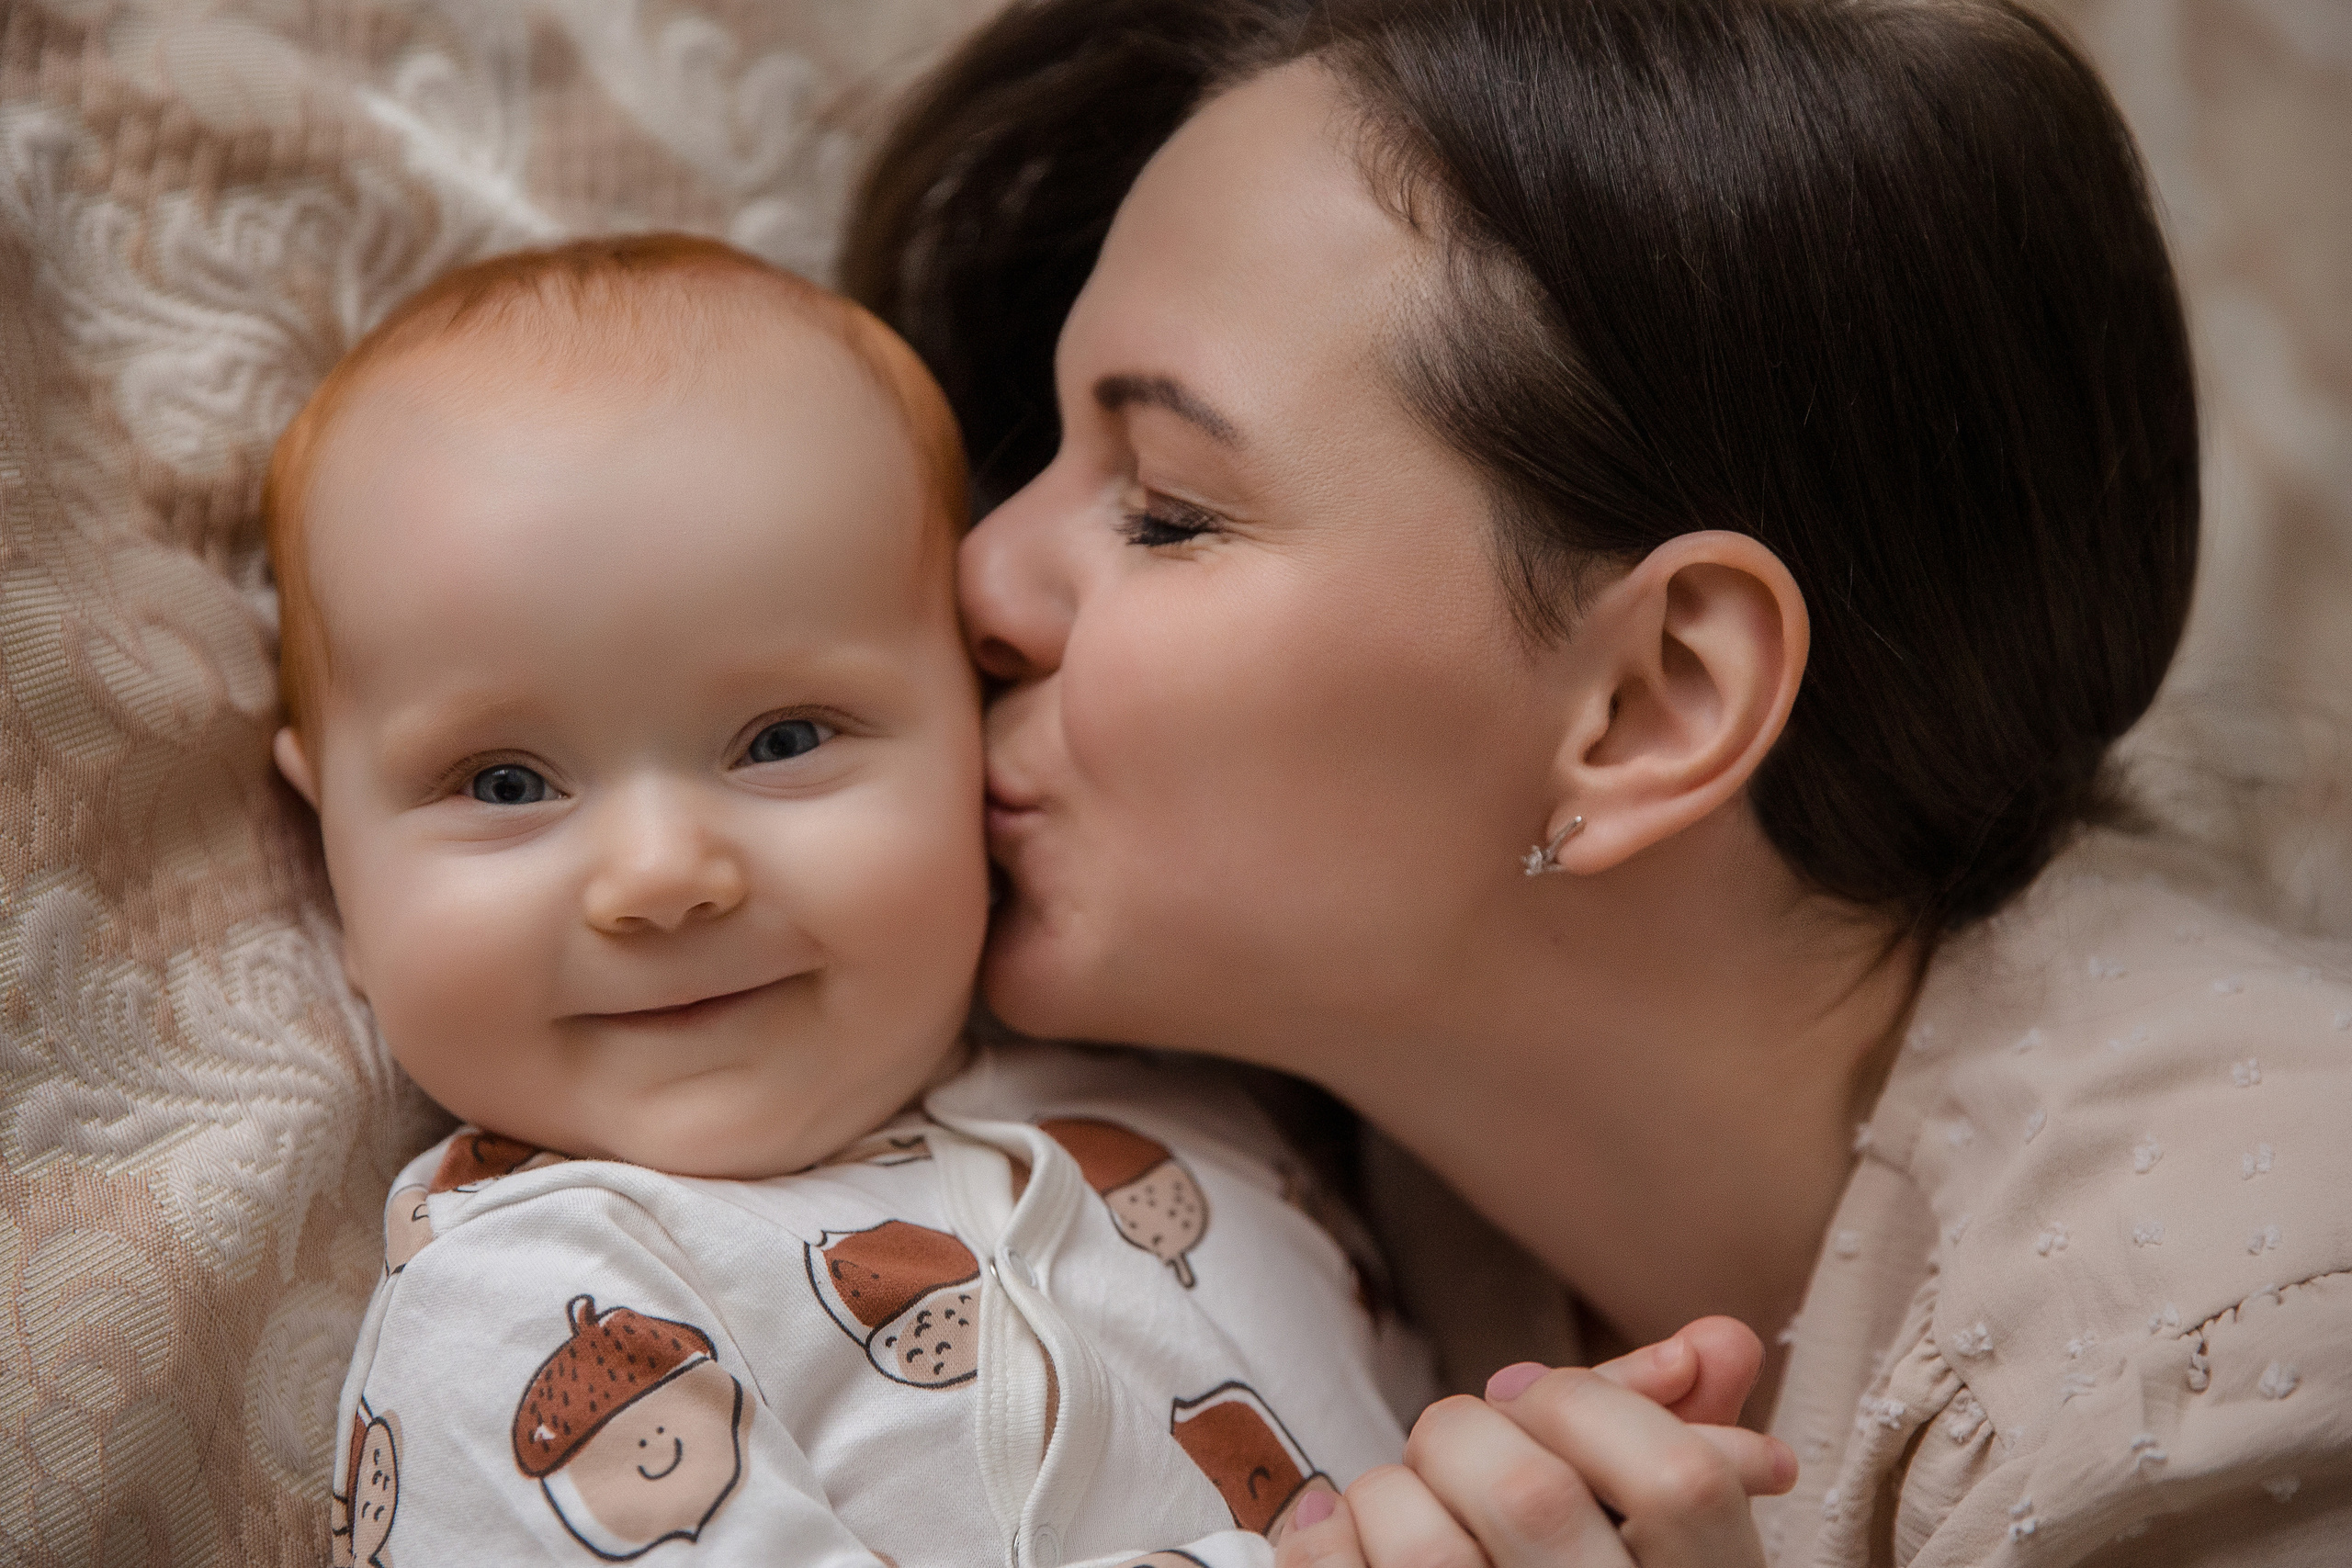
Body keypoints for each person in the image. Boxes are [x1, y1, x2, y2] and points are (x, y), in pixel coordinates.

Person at [842, 1, 2352, 1563]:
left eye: (1164, 510)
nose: (976, 579)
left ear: (1652, 703)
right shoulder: (1274, 1164)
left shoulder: (2233, 1347)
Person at [269, 233, 1470, 1568]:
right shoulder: (531, 1304)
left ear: (976, 718)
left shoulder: (1206, 1093)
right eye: (501, 781)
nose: (663, 878)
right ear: (333, 845)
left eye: (784, 741)